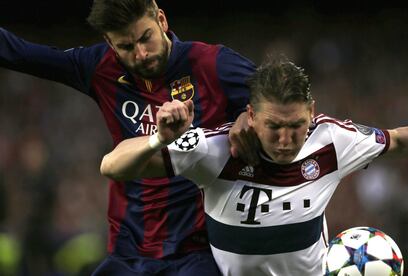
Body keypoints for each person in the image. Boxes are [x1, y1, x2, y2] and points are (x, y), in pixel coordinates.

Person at [0, 0, 259, 274]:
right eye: (126, 47)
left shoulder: (212, 63)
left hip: (198, 249)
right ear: (110, 44)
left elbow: (282, 97)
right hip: (129, 250)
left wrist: (247, 114)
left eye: (145, 38)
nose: (142, 54)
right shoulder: (100, 67)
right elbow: (22, 54)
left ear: (161, 20)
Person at [100, 55, 408, 276]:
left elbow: (398, 139)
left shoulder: (332, 140)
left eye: (296, 125)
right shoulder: (213, 150)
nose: (286, 139)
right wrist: (157, 140)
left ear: (312, 112)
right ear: (250, 115)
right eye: (274, 126)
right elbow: (112, 165)